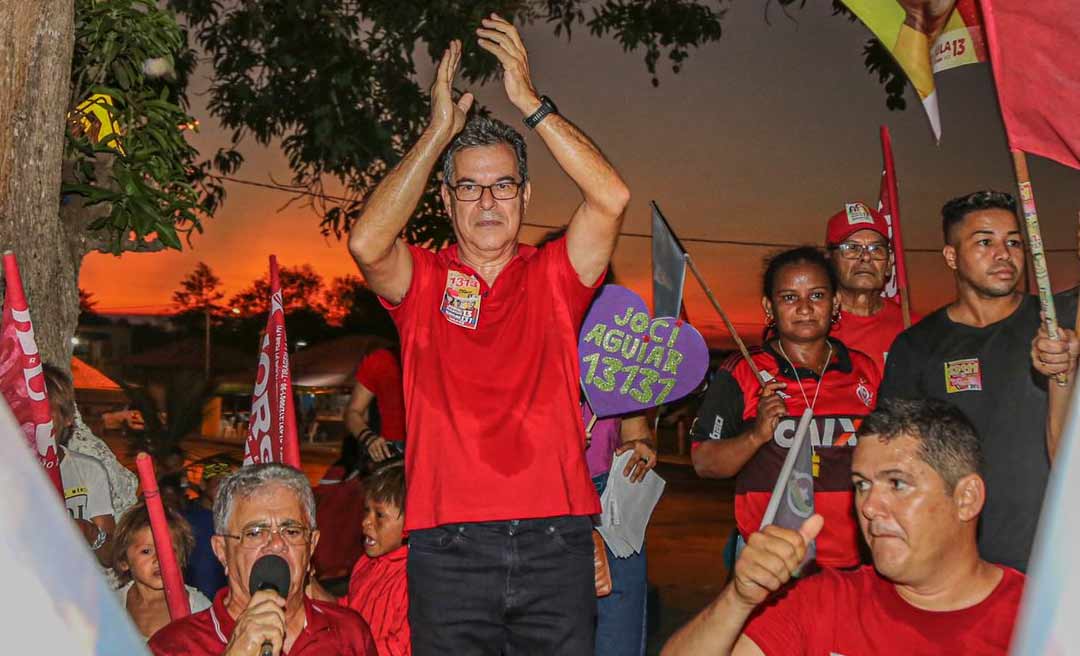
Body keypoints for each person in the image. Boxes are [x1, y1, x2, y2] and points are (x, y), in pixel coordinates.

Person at [347, 13, 629, 654]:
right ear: (445, 201)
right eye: (469, 188)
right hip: (447, 549)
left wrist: (530, 102)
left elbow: (610, 197)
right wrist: (437, 133)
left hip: (556, 542)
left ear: (526, 195)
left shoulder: (557, 274)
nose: (488, 202)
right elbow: (366, 242)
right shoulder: (422, 282)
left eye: (503, 185)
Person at [664, 398, 1025, 655]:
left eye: (897, 484)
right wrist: (738, 600)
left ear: (966, 498)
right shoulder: (826, 602)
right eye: (861, 485)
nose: (868, 506)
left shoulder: (1038, 617)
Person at [880, 190, 1078, 572]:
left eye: (1014, 242)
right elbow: (895, 457)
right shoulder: (917, 346)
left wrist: (1068, 357)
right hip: (960, 565)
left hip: (1056, 561)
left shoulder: (1059, 322)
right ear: (952, 256)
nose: (1004, 254)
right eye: (985, 242)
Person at [691, 247, 880, 569]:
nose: (805, 308)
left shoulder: (864, 370)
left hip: (854, 560)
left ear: (835, 302)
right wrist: (757, 435)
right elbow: (704, 463)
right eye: (789, 298)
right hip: (768, 559)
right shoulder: (743, 370)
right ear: (769, 306)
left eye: (817, 295)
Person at [148, 463, 376, 655]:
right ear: (221, 550)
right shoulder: (173, 647)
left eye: (292, 531)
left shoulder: (349, 634)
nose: (276, 544)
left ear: (312, 546)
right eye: (255, 533)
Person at [584, 406, 656, 656]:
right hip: (538, 500)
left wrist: (641, 446)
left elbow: (635, 429)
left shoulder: (612, 365)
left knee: (618, 638)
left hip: (607, 498)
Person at [825, 201, 919, 375]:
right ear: (829, 260)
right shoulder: (811, 326)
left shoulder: (914, 328)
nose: (866, 257)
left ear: (890, 262)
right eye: (852, 248)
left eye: (876, 249)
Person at [43, 363, 116, 568]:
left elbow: (110, 556)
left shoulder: (88, 471)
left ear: (67, 418)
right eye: (26, 413)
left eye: (45, 413)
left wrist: (87, 531)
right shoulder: (8, 472)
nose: (37, 423)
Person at [338, 462, 410, 656]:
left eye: (379, 515)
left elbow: (400, 648)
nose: (365, 522)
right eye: (366, 511)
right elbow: (346, 613)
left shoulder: (413, 578)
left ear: (409, 523)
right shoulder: (365, 563)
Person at [112, 501, 212, 639]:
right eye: (146, 551)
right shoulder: (111, 606)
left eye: (168, 551)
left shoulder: (199, 610)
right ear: (124, 561)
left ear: (182, 558)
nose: (159, 559)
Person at [345, 345, 406, 464]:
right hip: (393, 456)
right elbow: (352, 411)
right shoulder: (382, 360)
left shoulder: (442, 359)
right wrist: (368, 438)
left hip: (437, 451)